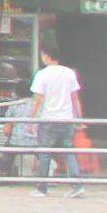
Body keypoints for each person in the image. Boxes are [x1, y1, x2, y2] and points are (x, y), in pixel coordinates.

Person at [31, 50, 87, 185]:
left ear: (47, 57)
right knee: (68, 152)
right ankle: (77, 185)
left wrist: (31, 120)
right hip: (67, 118)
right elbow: (75, 99)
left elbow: (38, 100)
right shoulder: (69, 73)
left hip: (48, 119)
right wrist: (79, 118)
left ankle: (41, 187)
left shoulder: (42, 74)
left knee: (45, 153)